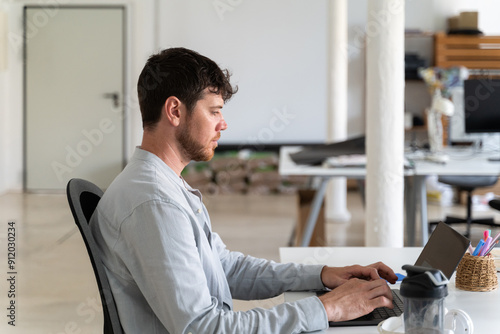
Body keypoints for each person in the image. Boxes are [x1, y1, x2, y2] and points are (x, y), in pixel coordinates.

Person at [90, 47, 398, 334]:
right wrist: (326, 308)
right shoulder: (153, 203)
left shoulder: (162, 184)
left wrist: (321, 275)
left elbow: (225, 267)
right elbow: (205, 328)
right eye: (214, 111)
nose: (223, 124)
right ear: (175, 111)